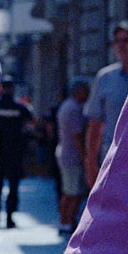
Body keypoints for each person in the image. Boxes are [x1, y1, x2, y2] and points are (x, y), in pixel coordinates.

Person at [81, 24, 128, 189]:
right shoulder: (106, 78)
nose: (121, 46)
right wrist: (90, 164)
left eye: (126, 40)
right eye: (117, 41)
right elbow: (95, 124)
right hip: (113, 158)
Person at [0, 77, 33, 227]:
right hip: (15, 152)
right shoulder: (21, 108)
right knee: (13, 186)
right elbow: (29, 128)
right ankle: (9, 216)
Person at [52, 78, 90, 230]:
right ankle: (67, 221)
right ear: (78, 92)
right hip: (72, 155)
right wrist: (85, 156)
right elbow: (77, 135)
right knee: (73, 192)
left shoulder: (66, 106)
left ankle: (65, 221)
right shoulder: (73, 108)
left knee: (69, 190)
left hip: (65, 152)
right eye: (86, 91)